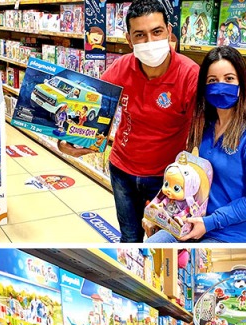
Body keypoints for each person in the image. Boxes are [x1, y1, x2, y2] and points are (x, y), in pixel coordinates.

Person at [60, 0, 199, 242]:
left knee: (163, 243)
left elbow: (203, 134)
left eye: (157, 31)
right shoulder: (121, 68)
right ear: (129, 40)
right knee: (130, 238)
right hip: (122, 171)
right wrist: (67, 140)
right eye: (140, 35)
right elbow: (91, 107)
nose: (150, 41)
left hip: (167, 179)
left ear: (169, 31)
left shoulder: (189, 74)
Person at [146, 46, 246, 243]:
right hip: (188, 221)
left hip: (228, 234)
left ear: (242, 82)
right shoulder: (203, 126)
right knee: (147, 249)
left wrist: (210, 222)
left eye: (229, 79)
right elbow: (191, 181)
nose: (220, 86)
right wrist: (161, 213)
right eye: (212, 80)